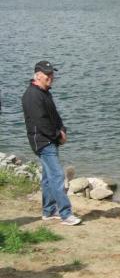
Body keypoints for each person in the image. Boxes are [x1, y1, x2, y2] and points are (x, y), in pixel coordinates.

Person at [21, 61, 81, 225]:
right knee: (57, 176)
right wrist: (57, 136)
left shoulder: (45, 92)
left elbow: (54, 116)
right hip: (42, 141)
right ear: (38, 75)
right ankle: (66, 214)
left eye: (52, 73)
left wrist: (62, 130)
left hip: (50, 139)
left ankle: (48, 211)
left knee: (48, 178)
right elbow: (41, 122)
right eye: (47, 74)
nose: (51, 77)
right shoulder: (32, 96)